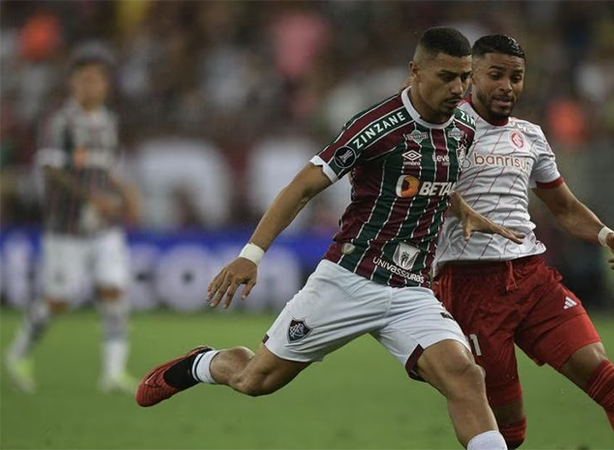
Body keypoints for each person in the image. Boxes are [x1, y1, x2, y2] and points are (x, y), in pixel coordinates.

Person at [135, 27, 522, 450]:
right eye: (446, 77)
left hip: (411, 290)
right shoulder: (375, 127)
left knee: (466, 375)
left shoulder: (464, 124)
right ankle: (201, 363)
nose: (458, 89)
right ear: (415, 71)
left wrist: (460, 207)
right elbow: (302, 187)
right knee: (255, 380)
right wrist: (251, 254)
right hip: (350, 278)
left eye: (464, 77)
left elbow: (434, 175)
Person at [433, 35, 614, 449]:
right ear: (471, 77)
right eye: (495, 75)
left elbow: (564, 207)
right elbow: (417, 186)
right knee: (509, 429)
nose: (507, 86)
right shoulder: (444, 129)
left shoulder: (530, 135)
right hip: (471, 286)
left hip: (531, 278)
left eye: (516, 77)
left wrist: (605, 234)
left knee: (606, 379)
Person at [5, 44, 140, 394]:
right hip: (66, 226)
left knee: (114, 291)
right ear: (72, 83)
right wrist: (93, 197)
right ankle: (18, 352)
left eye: (96, 79)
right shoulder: (60, 121)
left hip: (104, 226)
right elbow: (50, 168)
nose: (90, 86)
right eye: (84, 79)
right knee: (58, 299)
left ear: (106, 84)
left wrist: (124, 190)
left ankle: (113, 373)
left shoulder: (108, 121)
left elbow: (103, 169)